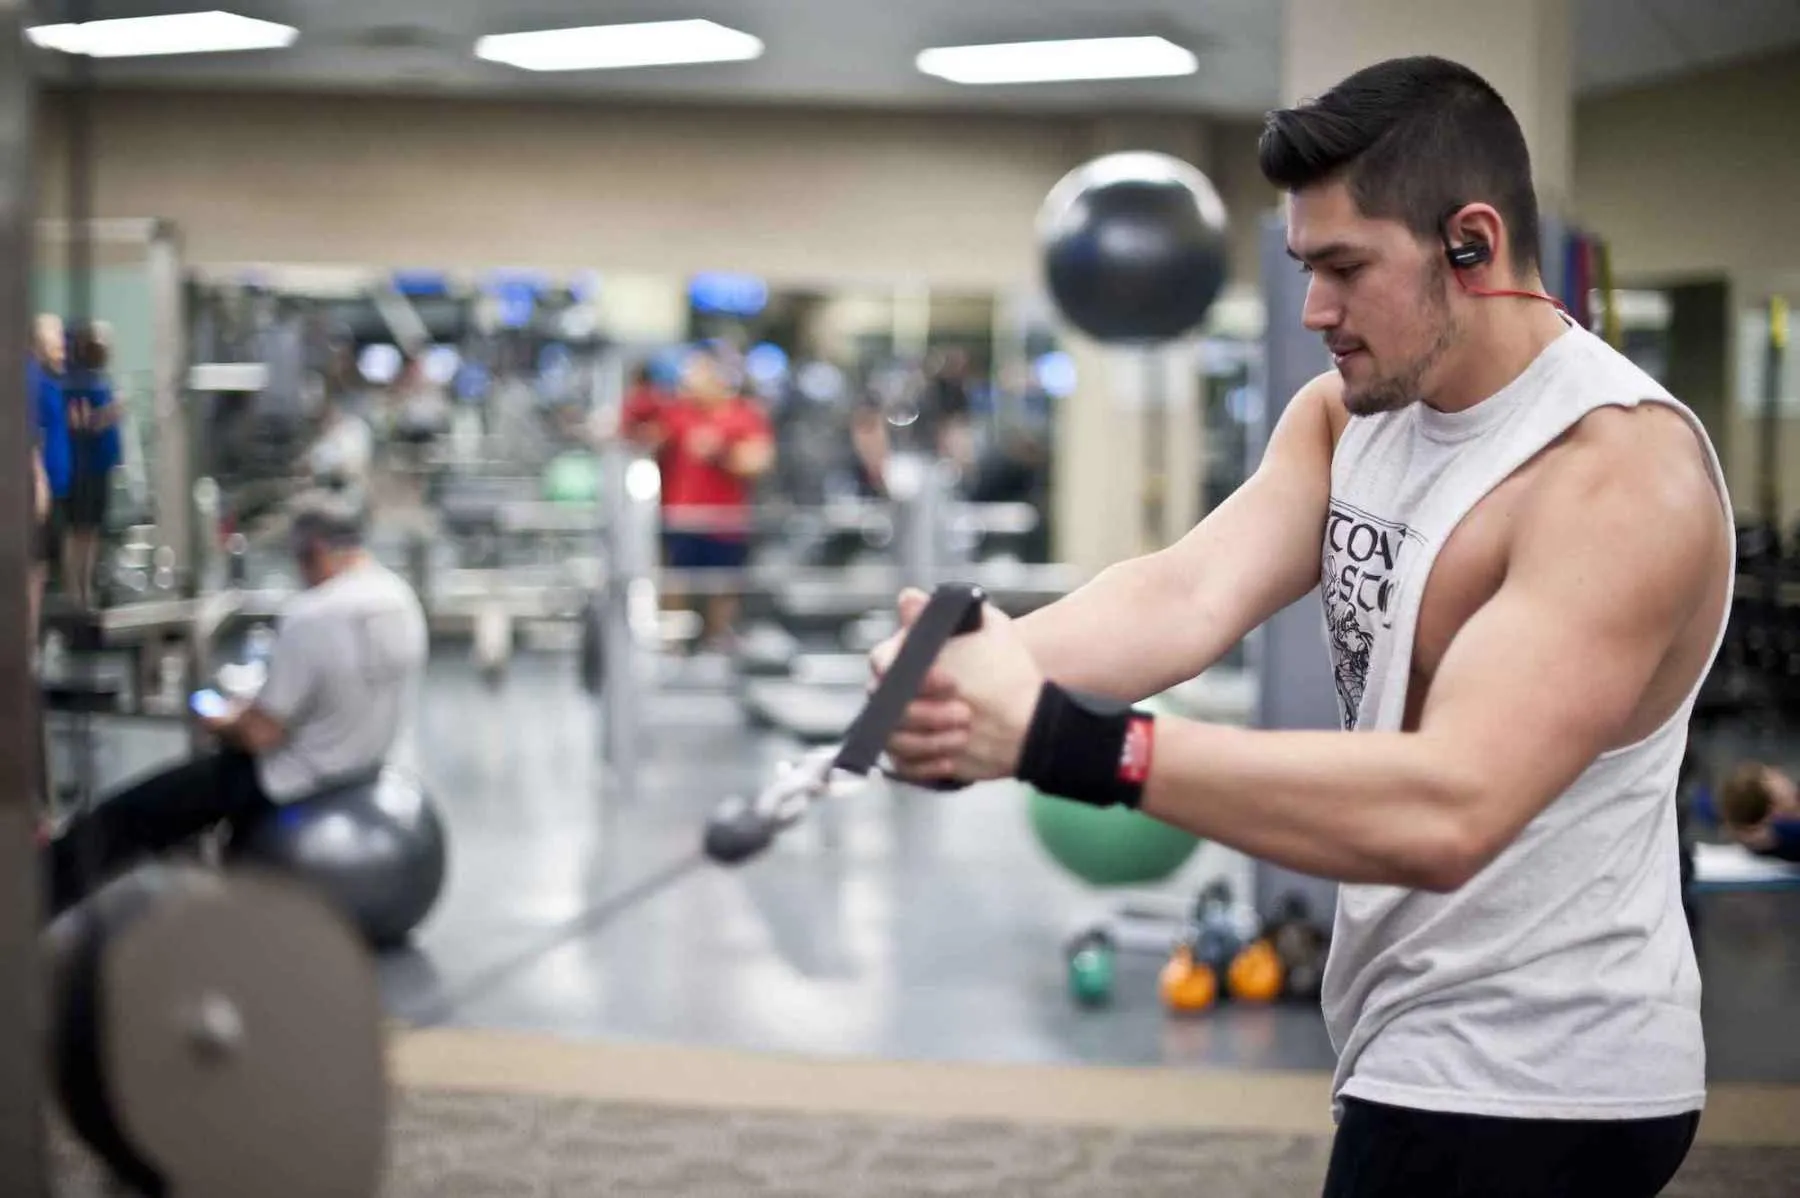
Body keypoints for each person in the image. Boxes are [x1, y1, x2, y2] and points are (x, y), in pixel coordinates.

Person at [872, 56, 1730, 1198]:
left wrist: (1062, 740)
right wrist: (967, 669)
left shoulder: (1615, 475)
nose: (1313, 310)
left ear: (1469, 242)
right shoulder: (1349, 415)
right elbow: (1186, 592)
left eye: (1343, 268)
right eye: (1303, 268)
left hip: (1540, 1071)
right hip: (1406, 1032)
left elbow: (1453, 806)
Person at [45, 492, 427, 914]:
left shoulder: (314, 613)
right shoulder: (399, 597)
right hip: (362, 764)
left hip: (290, 777)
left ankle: (34, 894)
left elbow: (260, 734)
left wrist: (216, 716)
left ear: (315, 550)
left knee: (131, 813)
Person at [653, 345, 775, 650]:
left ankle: (717, 643)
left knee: (722, 586)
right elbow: (643, 435)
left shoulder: (743, 416)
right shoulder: (678, 414)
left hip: (724, 523)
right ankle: (672, 647)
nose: (693, 379)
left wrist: (720, 451)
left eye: (700, 372)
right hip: (680, 520)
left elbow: (759, 460)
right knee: (675, 583)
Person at [60, 322, 124, 609]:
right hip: (83, 468)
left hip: (99, 467)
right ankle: (76, 592)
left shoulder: (99, 381)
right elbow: (82, 423)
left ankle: (86, 590)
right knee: (78, 532)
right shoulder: (78, 384)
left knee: (91, 531)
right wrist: (111, 413)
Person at [29, 314, 69, 619]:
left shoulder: (53, 378)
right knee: (34, 565)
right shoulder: (32, 377)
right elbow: (32, 436)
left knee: (43, 565)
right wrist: (39, 480)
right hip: (41, 484)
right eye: (55, 335)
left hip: (58, 480)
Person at [1714, 762, 1800, 862]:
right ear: (1773, 807)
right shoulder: (1786, 837)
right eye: (1771, 774)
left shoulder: (1781, 837)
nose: (1777, 770)